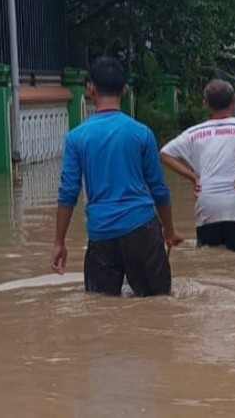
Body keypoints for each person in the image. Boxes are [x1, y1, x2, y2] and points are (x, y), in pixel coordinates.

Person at [51, 56, 183, 297]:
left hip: (101, 235)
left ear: (90, 88)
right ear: (124, 89)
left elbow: (68, 193)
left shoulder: (76, 138)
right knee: (158, 305)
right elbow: (159, 188)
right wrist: (170, 230)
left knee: (100, 310)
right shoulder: (142, 133)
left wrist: (59, 242)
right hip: (142, 229)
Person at [160, 79, 235, 252]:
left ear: (205, 104)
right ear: (234, 99)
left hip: (207, 205)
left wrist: (194, 178)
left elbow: (165, 154)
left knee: (209, 261)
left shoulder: (193, 133)